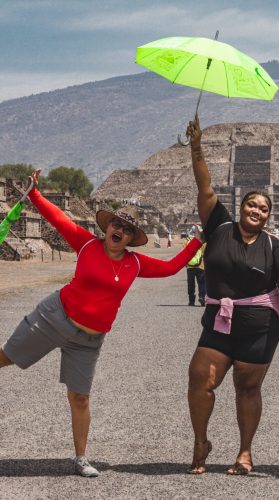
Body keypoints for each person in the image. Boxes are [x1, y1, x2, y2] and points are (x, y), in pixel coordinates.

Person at [0, 170, 203, 478]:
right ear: (107, 227)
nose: (119, 229)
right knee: (6, 358)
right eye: (116, 224)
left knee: (80, 396)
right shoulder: (86, 245)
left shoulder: (136, 263)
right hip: (54, 318)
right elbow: (59, 220)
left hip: (88, 341)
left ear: (132, 239)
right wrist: (36, 194)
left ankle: (80, 458)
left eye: (126, 229)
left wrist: (200, 239)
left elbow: (173, 267)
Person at [185, 115, 279, 475]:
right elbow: (204, 186)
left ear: (268, 215)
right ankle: (201, 440)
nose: (257, 210)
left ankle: (244, 452)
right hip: (219, 322)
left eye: (264, 208)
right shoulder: (218, 226)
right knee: (200, 380)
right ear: (240, 207)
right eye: (252, 205)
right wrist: (196, 146)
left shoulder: (273, 246)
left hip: (258, 327)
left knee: (247, 389)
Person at [184, 226, 207, 306]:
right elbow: (205, 251)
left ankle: (191, 301)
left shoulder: (187, 241)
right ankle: (202, 297)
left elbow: (184, 252)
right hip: (201, 265)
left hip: (190, 265)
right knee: (202, 283)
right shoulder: (202, 241)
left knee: (191, 284)